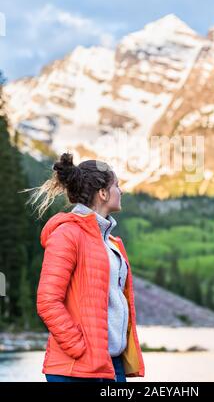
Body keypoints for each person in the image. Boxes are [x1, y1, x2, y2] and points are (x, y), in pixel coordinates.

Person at [28, 152, 145, 382]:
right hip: (74, 368)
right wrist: (78, 347)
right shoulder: (67, 234)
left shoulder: (113, 244)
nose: (121, 191)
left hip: (111, 365)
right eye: (117, 186)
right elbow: (47, 300)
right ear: (102, 193)